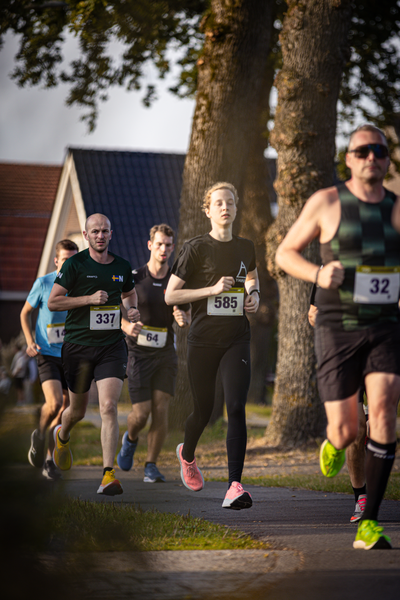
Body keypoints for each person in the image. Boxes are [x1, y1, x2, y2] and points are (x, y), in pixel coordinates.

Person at [276, 124, 400, 549]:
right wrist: (317, 273)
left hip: (384, 327)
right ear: (348, 158)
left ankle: (369, 522)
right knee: (348, 430)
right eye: (363, 151)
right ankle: (335, 441)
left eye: (379, 151)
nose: (372, 158)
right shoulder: (327, 202)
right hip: (336, 327)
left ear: (388, 159)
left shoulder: (398, 209)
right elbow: (283, 253)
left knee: (383, 412)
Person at [165, 182, 260, 510]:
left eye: (230, 202)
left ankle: (235, 485)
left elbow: (252, 278)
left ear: (236, 208)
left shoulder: (246, 247)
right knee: (204, 409)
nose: (225, 207)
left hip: (237, 336)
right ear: (208, 210)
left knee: (235, 406)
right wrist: (209, 290)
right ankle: (187, 453)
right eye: (218, 203)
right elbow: (171, 294)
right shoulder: (195, 248)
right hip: (203, 339)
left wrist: (254, 297)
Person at [48, 213, 140, 496]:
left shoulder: (123, 266)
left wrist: (132, 311)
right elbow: (54, 301)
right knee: (76, 411)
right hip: (77, 346)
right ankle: (62, 436)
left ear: (111, 234)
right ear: (86, 236)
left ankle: (108, 475)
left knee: (109, 406)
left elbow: (129, 295)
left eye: (105, 231)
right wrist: (88, 299)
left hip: (111, 346)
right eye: (95, 232)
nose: (100, 236)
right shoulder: (75, 265)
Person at [117, 224, 191, 483]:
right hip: (137, 354)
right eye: (159, 244)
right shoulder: (135, 276)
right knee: (141, 414)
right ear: (150, 245)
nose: (164, 249)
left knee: (161, 408)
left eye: (169, 245)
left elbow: (186, 314)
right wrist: (126, 326)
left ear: (173, 247)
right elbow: (112, 309)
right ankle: (131, 437)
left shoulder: (176, 281)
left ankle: (151, 465)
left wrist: (183, 319)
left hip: (164, 353)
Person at [20, 239, 79, 480]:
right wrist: (29, 341)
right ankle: (40, 432)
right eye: (65, 259)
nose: (69, 264)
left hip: (72, 354)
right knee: (54, 404)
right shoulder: (43, 283)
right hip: (46, 353)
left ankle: (48, 459)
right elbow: (25, 312)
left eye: (73, 259)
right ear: (57, 261)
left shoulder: (81, 285)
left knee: (65, 409)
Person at [308, 296, 367, 523]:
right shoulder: (331, 267)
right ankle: (361, 498)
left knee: (382, 424)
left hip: (381, 346)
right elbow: (313, 313)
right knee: (358, 428)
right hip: (347, 352)